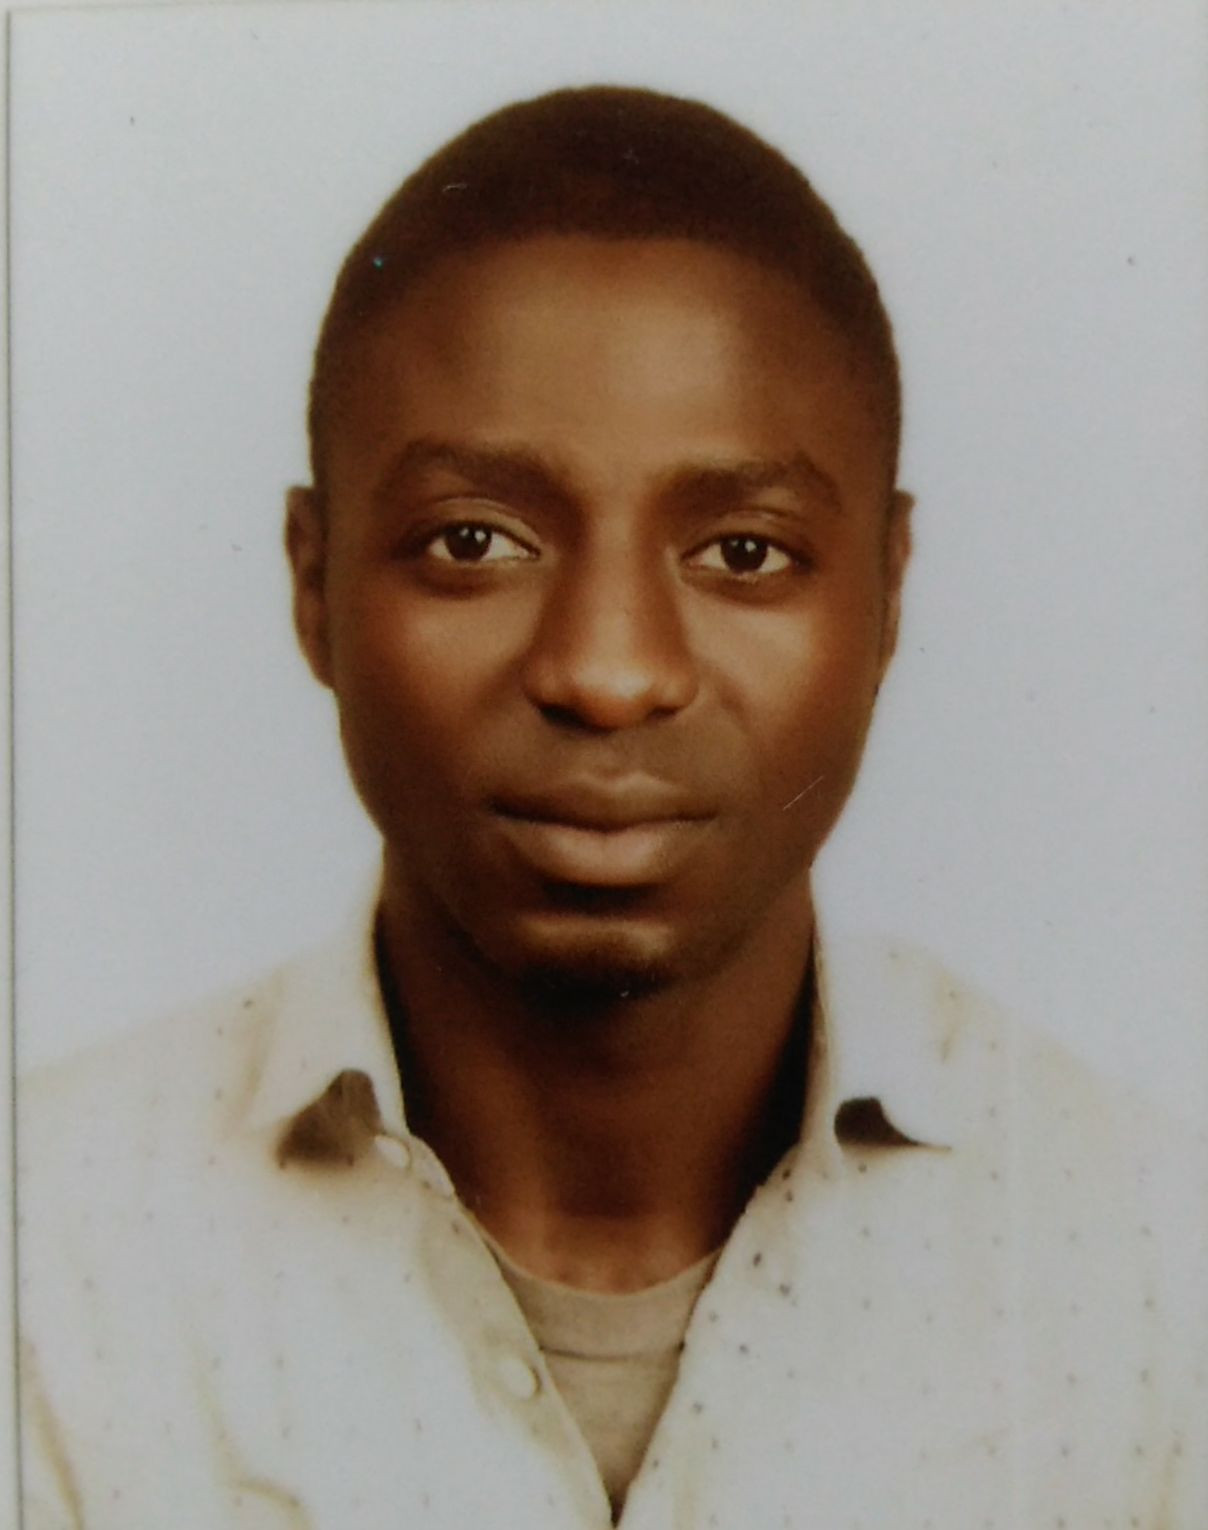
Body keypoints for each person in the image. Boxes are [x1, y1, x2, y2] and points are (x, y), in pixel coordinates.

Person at [17, 85, 1206, 1529]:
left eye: (745, 553)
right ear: (312, 583)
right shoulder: (47, 1267)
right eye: (476, 541)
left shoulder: (1154, 1273)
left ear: (888, 596)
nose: (609, 670)